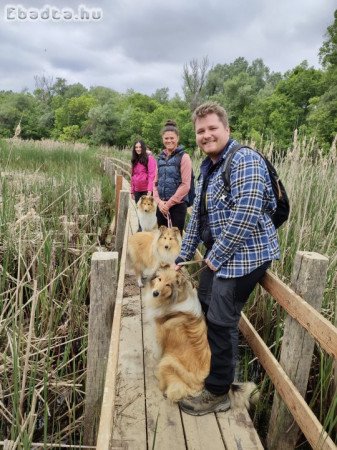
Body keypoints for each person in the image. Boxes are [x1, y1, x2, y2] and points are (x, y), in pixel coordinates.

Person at [174, 101, 280, 416]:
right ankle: (210, 373)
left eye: (212, 128)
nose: (206, 135)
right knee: (204, 304)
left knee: (221, 320)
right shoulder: (208, 168)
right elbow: (197, 219)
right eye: (200, 131)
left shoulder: (244, 159)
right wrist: (182, 255)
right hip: (223, 254)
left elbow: (247, 212)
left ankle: (218, 392)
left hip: (247, 255)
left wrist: (216, 256)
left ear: (227, 129)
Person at [153, 120, 192, 234]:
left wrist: (168, 204)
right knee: (161, 238)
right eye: (166, 138)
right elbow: (155, 182)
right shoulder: (160, 158)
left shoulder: (184, 157)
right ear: (162, 139)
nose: (169, 140)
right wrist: (159, 202)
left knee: (175, 241)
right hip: (161, 206)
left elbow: (185, 185)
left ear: (177, 138)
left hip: (177, 207)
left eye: (172, 138)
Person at [130, 140, 157, 204]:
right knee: (138, 211)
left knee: (147, 212)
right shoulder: (134, 160)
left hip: (146, 190)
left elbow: (152, 175)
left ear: (143, 148)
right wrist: (132, 191)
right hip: (137, 190)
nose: (138, 149)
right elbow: (133, 176)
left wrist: (150, 190)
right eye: (136, 147)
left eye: (140, 147)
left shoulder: (149, 158)